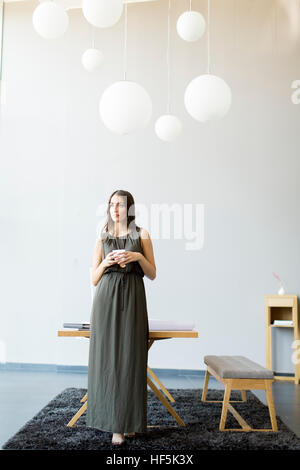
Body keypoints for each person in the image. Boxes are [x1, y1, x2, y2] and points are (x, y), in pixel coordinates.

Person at [86, 190, 156, 446]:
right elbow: (94, 278)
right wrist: (106, 263)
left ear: (130, 208)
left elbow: (153, 273)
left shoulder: (142, 235)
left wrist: (136, 256)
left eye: (121, 204)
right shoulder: (102, 237)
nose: (116, 209)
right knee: (108, 360)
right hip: (106, 300)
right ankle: (116, 426)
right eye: (112, 204)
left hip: (134, 298)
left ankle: (130, 422)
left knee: (132, 358)